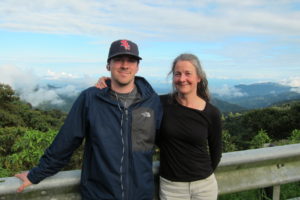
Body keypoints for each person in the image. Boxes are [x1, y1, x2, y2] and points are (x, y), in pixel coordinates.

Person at [15, 39, 163, 200]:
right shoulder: (90, 99)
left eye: (131, 61)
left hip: (141, 195)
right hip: (98, 194)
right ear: (108, 65)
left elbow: (167, 138)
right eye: (118, 60)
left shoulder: (152, 101)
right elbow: (67, 140)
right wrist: (36, 174)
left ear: (137, 66)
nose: (125, 65)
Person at [96, 53, 222, 200]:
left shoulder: (211, 112)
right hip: (172, 187)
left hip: (204, 186)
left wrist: (201, 176)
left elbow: (216, 152)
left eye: (188, 74)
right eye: (177, 74)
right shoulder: (160, 104)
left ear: (198, 77)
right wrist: (110, 82)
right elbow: (133, 96)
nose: (182, 79)